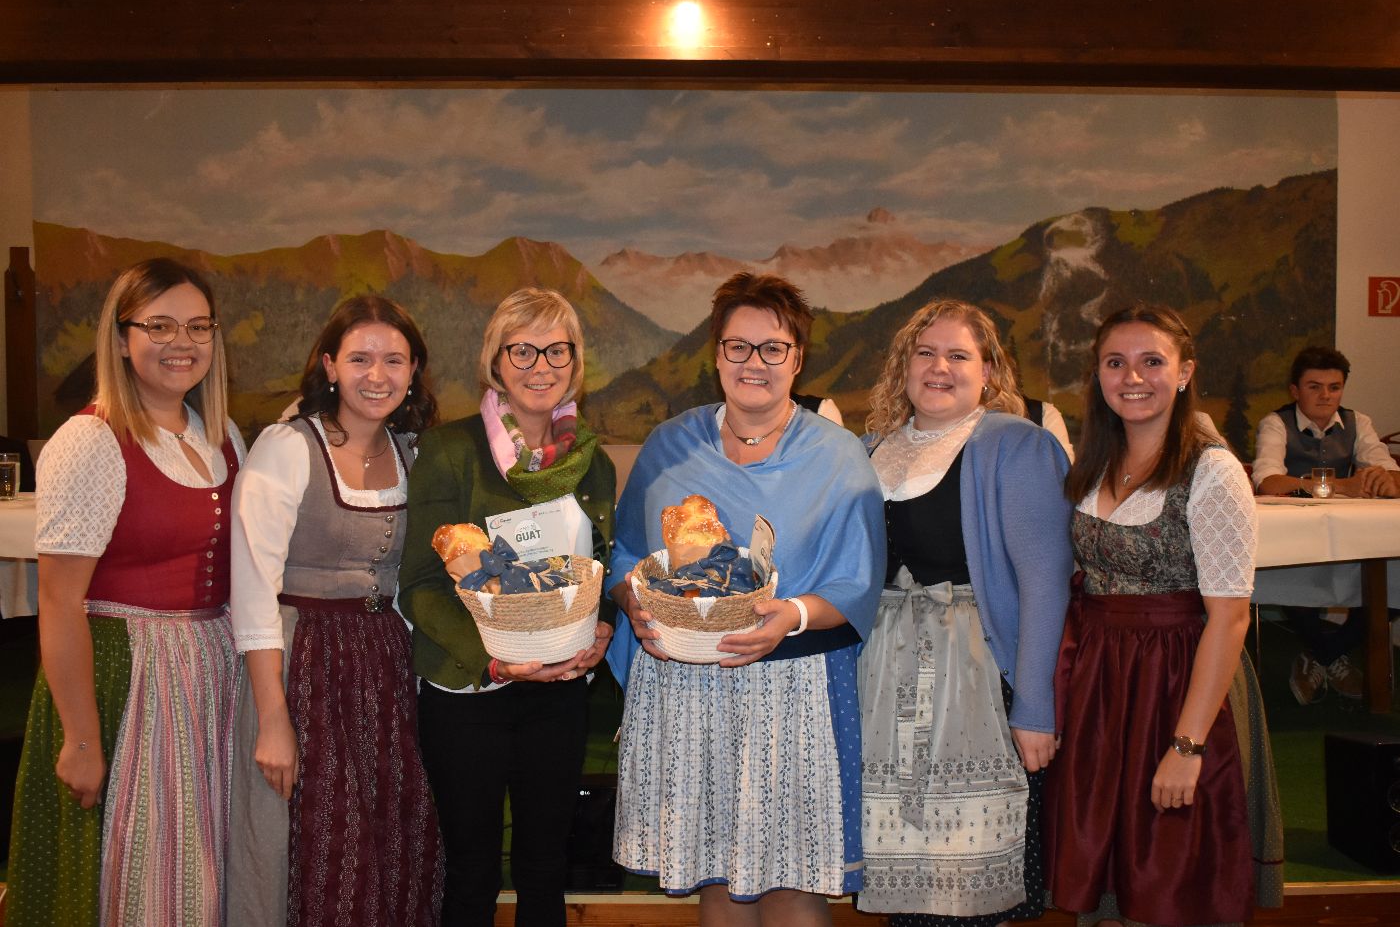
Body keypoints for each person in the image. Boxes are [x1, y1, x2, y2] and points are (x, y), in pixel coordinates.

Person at [604, 272, 885, 926]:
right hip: (690, 683)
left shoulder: (839, 456)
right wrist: (633, 599)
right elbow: (624, 554)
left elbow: (859, 580)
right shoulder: (672, 443)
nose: (753, 363)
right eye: (738, 346)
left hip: (794, 686)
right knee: (718, 876)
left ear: (798, 358)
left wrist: (791, 615)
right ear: (716, 352)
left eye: (772, 348)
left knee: (791, 881)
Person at [7, 258, 244, 926]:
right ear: (120, 337)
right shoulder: (91, 439)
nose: (183, 341)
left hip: (211, 671)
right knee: (135, 865)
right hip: (128, 677)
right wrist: (82, 736)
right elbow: (58, 599)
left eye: (198, 325)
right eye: (159, 325)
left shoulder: (219, 433)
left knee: (205, 859)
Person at [1045, 304, 1283, 926]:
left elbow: (1229, 618)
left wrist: (1187, 744)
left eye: (1153, 361)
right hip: (1103, 683)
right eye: (1115, 363)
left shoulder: (1212, 469)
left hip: (1179, 683)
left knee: (1173, 874)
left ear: (1183, 372)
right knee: (1109, 870)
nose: (1133, 377)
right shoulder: (1095, 460)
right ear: (1097, 375)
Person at [398, 288, 616, 927]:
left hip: (559, 693)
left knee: (545, 867)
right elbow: (419, 584)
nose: (540, 365)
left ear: (575, 362)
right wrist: (494, 663)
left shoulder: (592, 462)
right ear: (496, 361)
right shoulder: (448, 453)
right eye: (522, 349)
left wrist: (602, 626)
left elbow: (598, 569)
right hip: (469, 692)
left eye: (556, 349)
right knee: (470, 871)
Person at [226, 294, 443, 925]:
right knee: (325, 838)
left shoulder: (411, 453)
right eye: (360, 359)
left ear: (413, 373)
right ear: (328, 365)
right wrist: (272, 718)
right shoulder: (288, 448)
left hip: (384, 663)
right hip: (305, 664)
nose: (377, 375)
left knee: (391, 837)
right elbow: (253, 590)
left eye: (395, 360)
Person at [858, 301, 1073, 924]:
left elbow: (1044, 584)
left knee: (969, 880)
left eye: (958, 355)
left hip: (977, 681)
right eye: (924, 353)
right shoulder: (871, 449)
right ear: (903, 367)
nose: (939, 367)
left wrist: (1035, 705)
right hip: (882, 681)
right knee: (902, 864)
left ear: (988, 371)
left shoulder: (1017, 445)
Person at [1251, 345, 1400, 704]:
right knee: (1287, 573)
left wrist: (1387, 478)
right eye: (1314, 386)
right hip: (1294, 536)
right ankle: (1333, 655)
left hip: (1348, 536)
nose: (1325, 395)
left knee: (1393, 579)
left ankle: (1322, 654)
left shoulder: (1357, 422)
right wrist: (1338, 487)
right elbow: (1268, 481)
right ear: (1295, 391)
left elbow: (1389, 471)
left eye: (1334, 387)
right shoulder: (1276, 422)